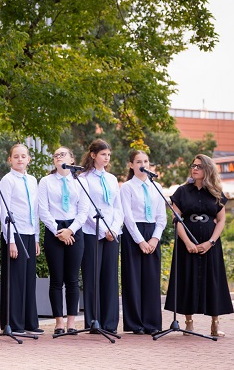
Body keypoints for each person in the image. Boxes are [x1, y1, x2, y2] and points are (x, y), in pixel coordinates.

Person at [165, 154, 234, 337]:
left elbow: (221, 220)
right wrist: (187, 242)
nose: (194, 169)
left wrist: (210, 242)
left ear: (207, 170)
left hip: (210, 244)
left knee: (213, 280)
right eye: (193, 165)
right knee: (187, 279)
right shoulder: (182, 191)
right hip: (186, 243)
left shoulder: (216, 193)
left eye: (199, 166)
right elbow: (176, 219)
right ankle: (188, 323)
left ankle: (215, 324)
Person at [37, 147, 89, 335]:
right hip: (54, 230)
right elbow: (43, 210)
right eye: (56, 155)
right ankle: (59, 322)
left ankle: (71, 323)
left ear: (72, 159)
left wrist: (70, 230)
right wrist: (59, 231)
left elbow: (84, 211)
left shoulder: (80, 182)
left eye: (63, 154)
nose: (59, 157)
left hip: (75, 230)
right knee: (57, 279)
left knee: (73, 279)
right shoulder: (46, 181)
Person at [120, 150, 167, 335]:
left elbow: (161, 216)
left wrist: (155, 238)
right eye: (139, 161)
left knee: (151, 279)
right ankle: (135, 323)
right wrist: (140, 241)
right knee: (133, 278)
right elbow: (127, 216)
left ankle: (152, 322)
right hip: (134, 233)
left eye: (146, 161)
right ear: (131, 165)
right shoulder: (127, 187)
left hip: (152, 231)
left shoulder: (157, 187)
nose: (143, 165)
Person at [79, 139, 123, 333]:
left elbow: (117, 207)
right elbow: (85, 207)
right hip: (92, 232)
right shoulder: (83, 178)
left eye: (108, 155)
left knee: (110, 278)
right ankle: (94, 322)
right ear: (93, 155)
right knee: (92, 277)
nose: (107, 158)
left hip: (112, 233)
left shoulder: (112, 179)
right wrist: (102, 230)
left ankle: (110, 323)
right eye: (103, 154)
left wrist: (113, 228)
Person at [0, 143, 42, 335]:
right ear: (10, 159)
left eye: (23, 156)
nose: (20, 159)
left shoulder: (32, 180)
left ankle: (29, 322)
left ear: (28, 159)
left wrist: (37, 237)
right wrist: (11, 240)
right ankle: (13, 323)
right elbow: (4, 211)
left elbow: (36, 211)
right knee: (15, 280)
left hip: (30, 233)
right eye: (16, 156)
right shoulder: (7, 181)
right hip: (15, 233)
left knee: (28, 280)